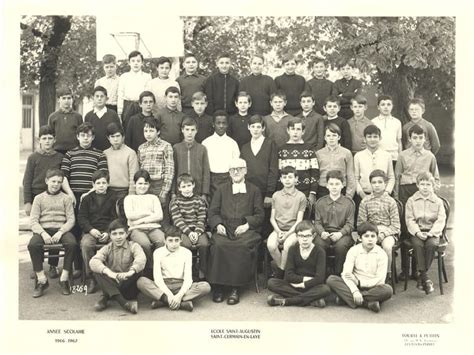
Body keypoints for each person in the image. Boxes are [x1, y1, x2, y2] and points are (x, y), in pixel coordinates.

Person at [207, 158, 264, 305]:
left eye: (239, 168)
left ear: (245, 170)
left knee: (240, 246)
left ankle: (235, 288)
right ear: (229, 172)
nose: (236, 172)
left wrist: (247, 225)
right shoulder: (221, 189)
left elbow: (260, 215)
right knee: (219, 244)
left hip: (246, 229)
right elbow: (212, 212)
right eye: (233, 169)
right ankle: (218, 287)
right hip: (225, 228)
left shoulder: (254, 190)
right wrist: (218, 224)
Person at [137, 226, 211, 312]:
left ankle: (164, 301)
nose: (174, 244)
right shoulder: (158, 252)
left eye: (176, 240)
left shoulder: (186, 253)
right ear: (165, 241)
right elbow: (158, 278)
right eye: (170, 240)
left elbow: (188, 279)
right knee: (141, 281)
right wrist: (169, 295)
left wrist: (179, 295)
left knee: (205, 287)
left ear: (181, 240)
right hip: (164, 284)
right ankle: (179, 303)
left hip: (181, 284)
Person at [28, 169, 77, 297]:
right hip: (43, 229)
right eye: (53, 181)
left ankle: (64, 278)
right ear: (46, 181)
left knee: (72, 243)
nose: (56, 184)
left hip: (61, 229)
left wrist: (60, 232)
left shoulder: (66, 198)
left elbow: (71, 219)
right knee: (33, 245)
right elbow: (33, 221)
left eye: (59, 182)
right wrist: (43, 233)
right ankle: (42, 280)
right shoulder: (38, 198)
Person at [327, 222, 393, 313]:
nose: (370, 239)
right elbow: (346, 273)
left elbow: (380, 279)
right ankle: (368, 303)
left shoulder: (381, 254)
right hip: (354, 285)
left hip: (373, 287)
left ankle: (346, 299)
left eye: (373, 236)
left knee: (388, 290)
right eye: (366, 236)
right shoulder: (353, 250)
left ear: (377, 238)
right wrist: (355, 291)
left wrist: (360, 283)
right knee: (331, 279)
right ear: (359, 238)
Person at [267, 220, 331, 307]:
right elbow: (288, 275)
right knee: (271, 283)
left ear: (313, 236)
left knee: (325, 289)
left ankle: (288, 301)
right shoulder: (293, 250)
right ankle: (311, 300)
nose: (304, 239)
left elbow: (320, 278)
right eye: (301, 236)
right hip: (294, 285)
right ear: (297, 237)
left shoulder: (320, 251)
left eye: (308, 236)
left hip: (312, 286)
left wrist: (304, 284)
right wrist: (305, 280)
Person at [90, 219, 146, 314]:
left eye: (121, 233)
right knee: (97, 270)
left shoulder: (134, 246)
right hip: (113, 281)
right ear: (110, 235)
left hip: (128, 283)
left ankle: (106, 297)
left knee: (138, 270)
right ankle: (124, 303)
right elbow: (93, 261)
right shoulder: (107, 248)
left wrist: (130, 272)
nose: (118, 237)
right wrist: (110, 273)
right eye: (114, 234)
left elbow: (141, 259)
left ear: (127, 234)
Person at [405, 172, 446, 294]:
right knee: (417, 245)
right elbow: (409, 219)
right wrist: (417, 232)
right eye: (422, 184)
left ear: (432, 186)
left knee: (431, 245)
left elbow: (441, 219)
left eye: (428, 184)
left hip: (432, 232)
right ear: (417, 185)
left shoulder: (438, 201)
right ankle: (425, 277)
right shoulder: (411, 200)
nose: (425, 187)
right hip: (417, 231)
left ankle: (422, 276)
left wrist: (432, 233)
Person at [78, 170, 119, 293]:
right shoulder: (87, 199)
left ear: (108, 184)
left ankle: (112, 274)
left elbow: (116, 218)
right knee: (86, 245)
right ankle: (91, 276)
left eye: (104, 183)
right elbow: (82, 218)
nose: (101, 185)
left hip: (108, 230)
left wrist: (108, 232)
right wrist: (91, 230)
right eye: (98, 183)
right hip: (91, 230)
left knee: (117, 243)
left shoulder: (113, 197)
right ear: (93, 184)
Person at [357, 170, 400, 283]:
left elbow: (396, 226)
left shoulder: (391, 202)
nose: (377, 185)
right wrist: (372, 234)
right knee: (366, 245)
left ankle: (387, 275)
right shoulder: (365, 201)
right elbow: (361, 224)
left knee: (387, 246)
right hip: (370, 231)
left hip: (387, 232)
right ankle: (367, 274)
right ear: (370, 184)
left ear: (385, 184)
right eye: (374, 182)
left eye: (380, 182)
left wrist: (383, 234)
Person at [267, 166, 306, 277]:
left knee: (288, 245)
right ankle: (284, 270)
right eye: (285, 177)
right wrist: (279, 232)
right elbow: (272, 218)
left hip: (293, 231)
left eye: (290, 177)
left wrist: (287, 234)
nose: (287, 180)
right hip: (278, 229)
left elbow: (299, 220)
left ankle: (281, 274)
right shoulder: (276, 195)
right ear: (281, 179)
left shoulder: (301, 196)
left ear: (296, 179)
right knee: (271, 245)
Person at [314, 170, 355, 275]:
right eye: (331, 184)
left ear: (342, 185)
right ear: (327, 186)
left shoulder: (349, 203)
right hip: (325, 232)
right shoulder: (320, 202)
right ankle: (321, 274)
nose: (334, 187)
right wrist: (322, 232)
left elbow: (350, 224)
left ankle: (338, 274)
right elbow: (317, 222)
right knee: (318, 244)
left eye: (337, 184)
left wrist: (340, 233)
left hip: (342, 234)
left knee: (341, 247)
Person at [124, 169, 165, 274]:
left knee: (161, 240)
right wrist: (148, 213)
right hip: (136, 229)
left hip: (153, 228)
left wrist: (140, 220)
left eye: (145, 183)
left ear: (149, 184)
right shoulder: (129, 198)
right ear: (135, 184)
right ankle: (148, 269)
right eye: (140, 183)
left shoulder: (153, 198)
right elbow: (130, 215)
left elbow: (159, 215)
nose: (142, 186)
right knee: (145, 244)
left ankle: (159, 268)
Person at [169, 174, 209, 278]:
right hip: (183, 231)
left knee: (205, 245)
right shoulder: (175, 201)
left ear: (193, 185)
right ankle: (187, 272)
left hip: (198, 230)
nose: (186, 189)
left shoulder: (199, 200)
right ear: (179, 188)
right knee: (185, 246)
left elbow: (202, 218)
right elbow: (177, 219)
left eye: (188, 185)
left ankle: (202, 272)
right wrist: (189, 232)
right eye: (183, 187)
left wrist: (197, 232)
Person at [60, 123, 108, 208]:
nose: (85, 138)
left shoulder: (100, 154)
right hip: (73, 195)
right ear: (77, 137)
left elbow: (104, 176)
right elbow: (63, 177)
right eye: (82, 135)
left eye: (88, 135)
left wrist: (89, 194)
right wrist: (70, 194)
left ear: (93, 137)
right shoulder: (69, 154)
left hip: (93, 195)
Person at [23, 125, 64, 217]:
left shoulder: (60, 157)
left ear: (55, 140)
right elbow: (27, 181)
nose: (47, 141)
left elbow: (63, 179)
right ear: (39, 140)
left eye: (50, 138)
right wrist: (27, 202)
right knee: (37, 223)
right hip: (36, 196)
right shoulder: (33, 157)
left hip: (55, 196)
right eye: (44, 138)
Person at [394, 124, 440, 205]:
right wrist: (396, 197)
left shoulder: (430, 156)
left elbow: (436, 178)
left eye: (421, 138)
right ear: (409, 139)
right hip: (405, 189)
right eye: (415, 138)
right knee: (405, 215)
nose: (418, 141)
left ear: (425, 139)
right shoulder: (402, 155)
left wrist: (433, 193)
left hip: (422, 189)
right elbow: (397, 177)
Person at [278, 117, 319, 206]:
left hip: (305, 191)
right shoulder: (281, 149)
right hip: (287, 192)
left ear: (303, 131)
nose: (295, 132)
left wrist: (312, 193)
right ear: (288, 130)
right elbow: (279, 173)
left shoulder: (309, 149)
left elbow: (315, 172)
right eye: (292, 129)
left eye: (298, 129)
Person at [137, 117, 174, 212]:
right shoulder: (141, 148)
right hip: (145, 185)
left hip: (159, 185)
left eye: (151, 130)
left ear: (158, 132)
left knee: (161, 213)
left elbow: (169, 170)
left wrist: (164, 192)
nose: (148, 134)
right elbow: (140, 169)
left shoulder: (166, 146)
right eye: (145, 131)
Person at [202, 110, 240, 199]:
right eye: (218, 123)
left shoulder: (232, 143)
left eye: (224, 123)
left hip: (228, 179)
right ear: (213, 124)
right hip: (211, 180)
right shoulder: (206, 143)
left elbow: (236, 164)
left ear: (227, 124)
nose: (221, 126)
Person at [172, 117, 210, 202]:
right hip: (180, 190)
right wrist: (173, 192)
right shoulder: (176, 148)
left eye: (192, 130)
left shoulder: (202, 149)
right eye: (187, 129)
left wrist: (204, 193)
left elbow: (206, 172)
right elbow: (173, 171)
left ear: (196, 131)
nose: (190, 133)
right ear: (182, 130)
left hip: (197, 191)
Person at [354, 125, 395, 204]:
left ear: (380, 138)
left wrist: (386, 193)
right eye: (369, 137)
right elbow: (355, 179)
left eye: (375, 137)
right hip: (364, 196)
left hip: (384, 196)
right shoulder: (358, 156)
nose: (372, 140)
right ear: (364, 139)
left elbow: (391, 177)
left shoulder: (387, 155)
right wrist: (362, 195)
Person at [316, 124, 355, 199]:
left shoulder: (346, 153)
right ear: (324, 138)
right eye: (328, 136)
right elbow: (316, 175)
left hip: (341, 188)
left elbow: (350, 175)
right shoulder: (318, 154)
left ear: (339, 137)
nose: (331, 138)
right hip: (323, 190)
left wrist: (349, 195)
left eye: (334, 135)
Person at [117, 51, 151, 131]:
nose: (136, 63)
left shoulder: (147, 77)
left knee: (142, 129)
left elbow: (148, 94)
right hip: (128, 106)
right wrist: (119, 112)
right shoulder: (124, 76)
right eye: (133, 61)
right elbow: (120, 94)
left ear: (142, 63)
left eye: (138, 61)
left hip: (141, 106)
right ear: (129, 62)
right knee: (128, 129)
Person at [103, 122, 139, 199]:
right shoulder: (105, 153)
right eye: (112, 136)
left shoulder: (130, 153)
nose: (115, 139)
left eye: (118, 136)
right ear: (108, 138)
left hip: (124, 191)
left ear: (123, 137)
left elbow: (133, 174)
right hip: (108, 191)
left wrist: (131, 193)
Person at [84, 86, 121, 151]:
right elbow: (86, 135)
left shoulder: (113, 114)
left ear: (106, 98)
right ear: (93, 98)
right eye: (97, 96)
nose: (99, 99)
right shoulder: (88, 116)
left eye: (102, 96)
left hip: (110, 151)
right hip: (93, 150)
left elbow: (118, 133)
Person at [47, 88, 83, 155]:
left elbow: (81, 134)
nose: (66, 101)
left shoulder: (78, 116)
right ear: (58, 100)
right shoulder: (53, 117)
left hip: (74, 151)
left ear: (72, 100)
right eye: (63, 98)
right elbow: (50, 135)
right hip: (57, 151)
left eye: (69, 98)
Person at [371, 94, 402, 167]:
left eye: (388, 104)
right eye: (383, 104)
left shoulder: (397, 122)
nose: (386, 107)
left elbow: (399, 141)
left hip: (394, 157)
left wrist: (400, 158)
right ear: (378, 107)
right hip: (379, 157)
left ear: (392, 106)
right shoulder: (373, 122)